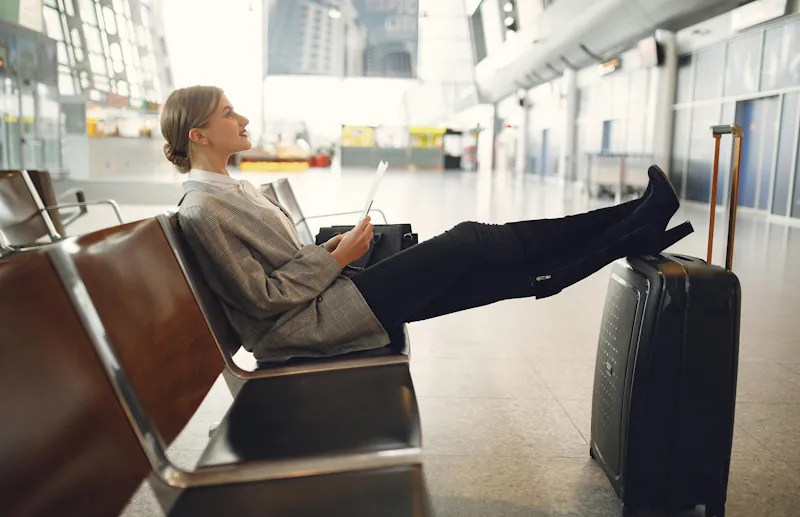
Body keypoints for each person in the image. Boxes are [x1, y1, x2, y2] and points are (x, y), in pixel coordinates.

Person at [163, 86, 691, 363]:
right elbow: (259, 299)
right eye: (229, 113)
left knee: (480, 273)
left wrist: (338, 251)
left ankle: (631, 225)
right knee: (470, 241)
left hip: (326, 299)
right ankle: (632, 220)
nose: (243, 121)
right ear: (199, 135)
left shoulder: (232, 189)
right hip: (306, 326)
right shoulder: (203, 211)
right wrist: (338, 256)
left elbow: (283, 267)